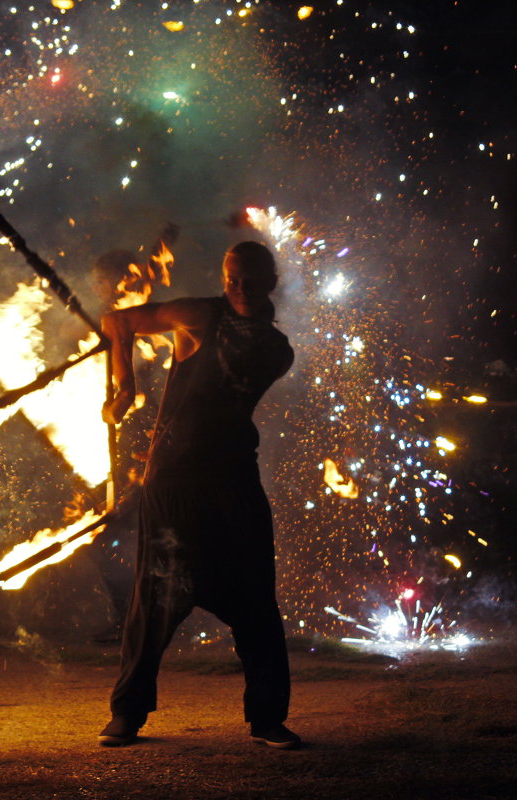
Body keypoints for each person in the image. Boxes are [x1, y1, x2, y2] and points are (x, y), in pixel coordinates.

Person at [97, 241, 299, 749]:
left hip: (232, 480)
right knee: (154, 601)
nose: (240, 287)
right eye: (232, 278)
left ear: (269, 281)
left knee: (255, 600)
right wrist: (124, 389)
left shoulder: (278, 351)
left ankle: (268, 718)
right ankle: (127, 714)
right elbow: (116, 323)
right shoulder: (198, 316)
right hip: (173, 483)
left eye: (249, 278)